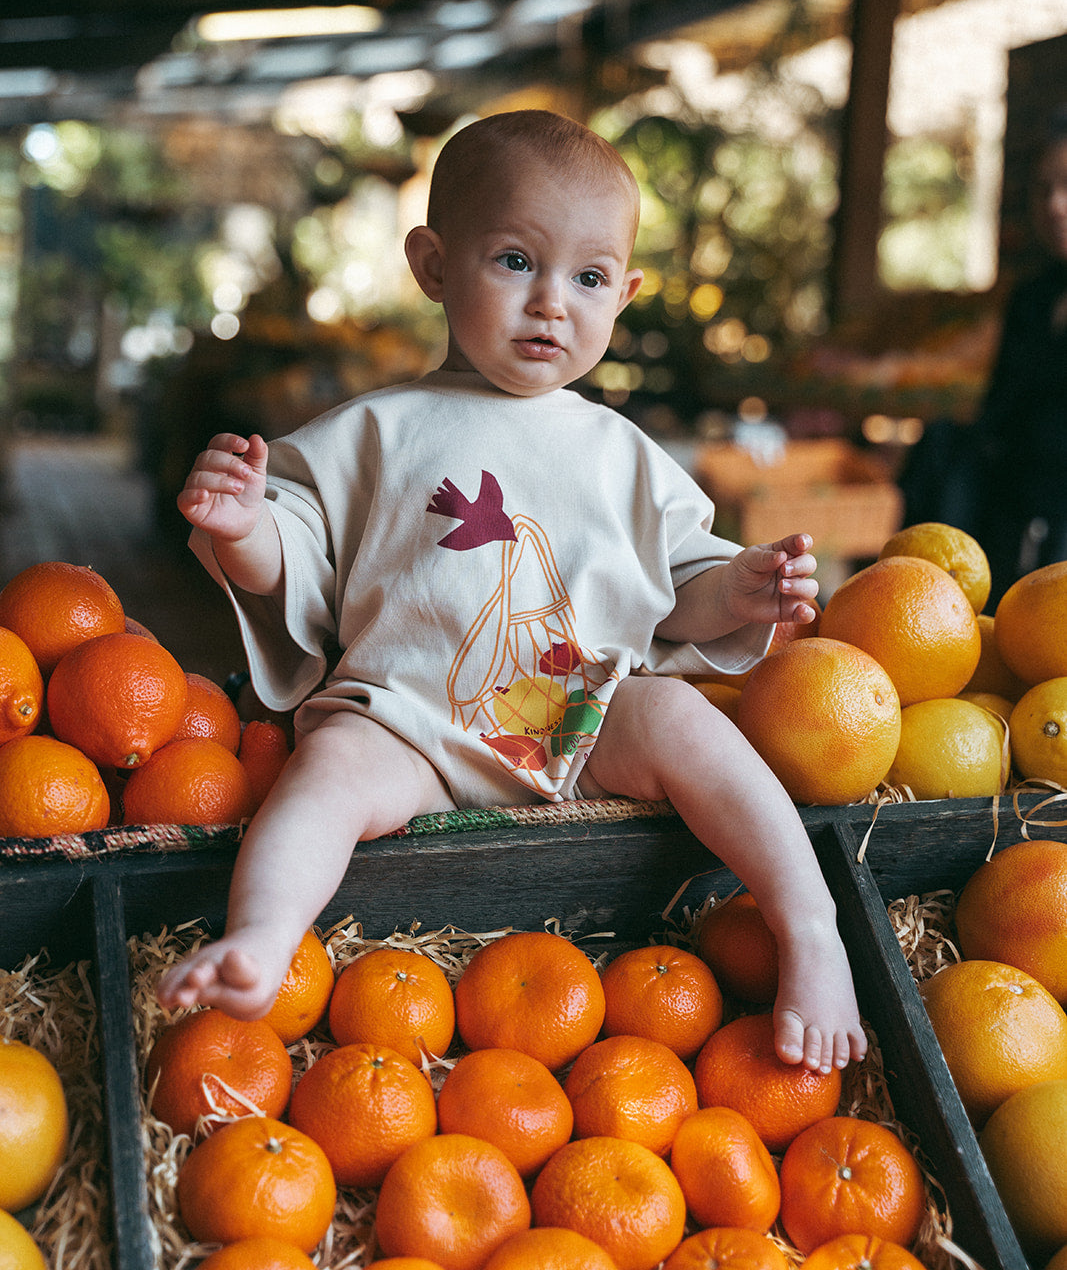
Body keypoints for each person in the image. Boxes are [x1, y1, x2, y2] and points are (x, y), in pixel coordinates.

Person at [158, 109, 867, 1074]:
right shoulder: (374, 430)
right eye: (514, 262)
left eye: (587, 278)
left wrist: (737, 590)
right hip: (407, 724)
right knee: (322, 776)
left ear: (624, 292)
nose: (551, 306)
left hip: (579, 713)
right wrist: (245, 530)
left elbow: (673, 596)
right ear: (433, 265)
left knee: (689, 725)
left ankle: (810, 926)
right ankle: (264, 938)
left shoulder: (624, 454)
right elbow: (298, 562)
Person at [969, 114, 1067, 605]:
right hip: (1014, 522)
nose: (1054, 205)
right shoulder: (1031, 299)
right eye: (1043, 189)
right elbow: (999, 409)